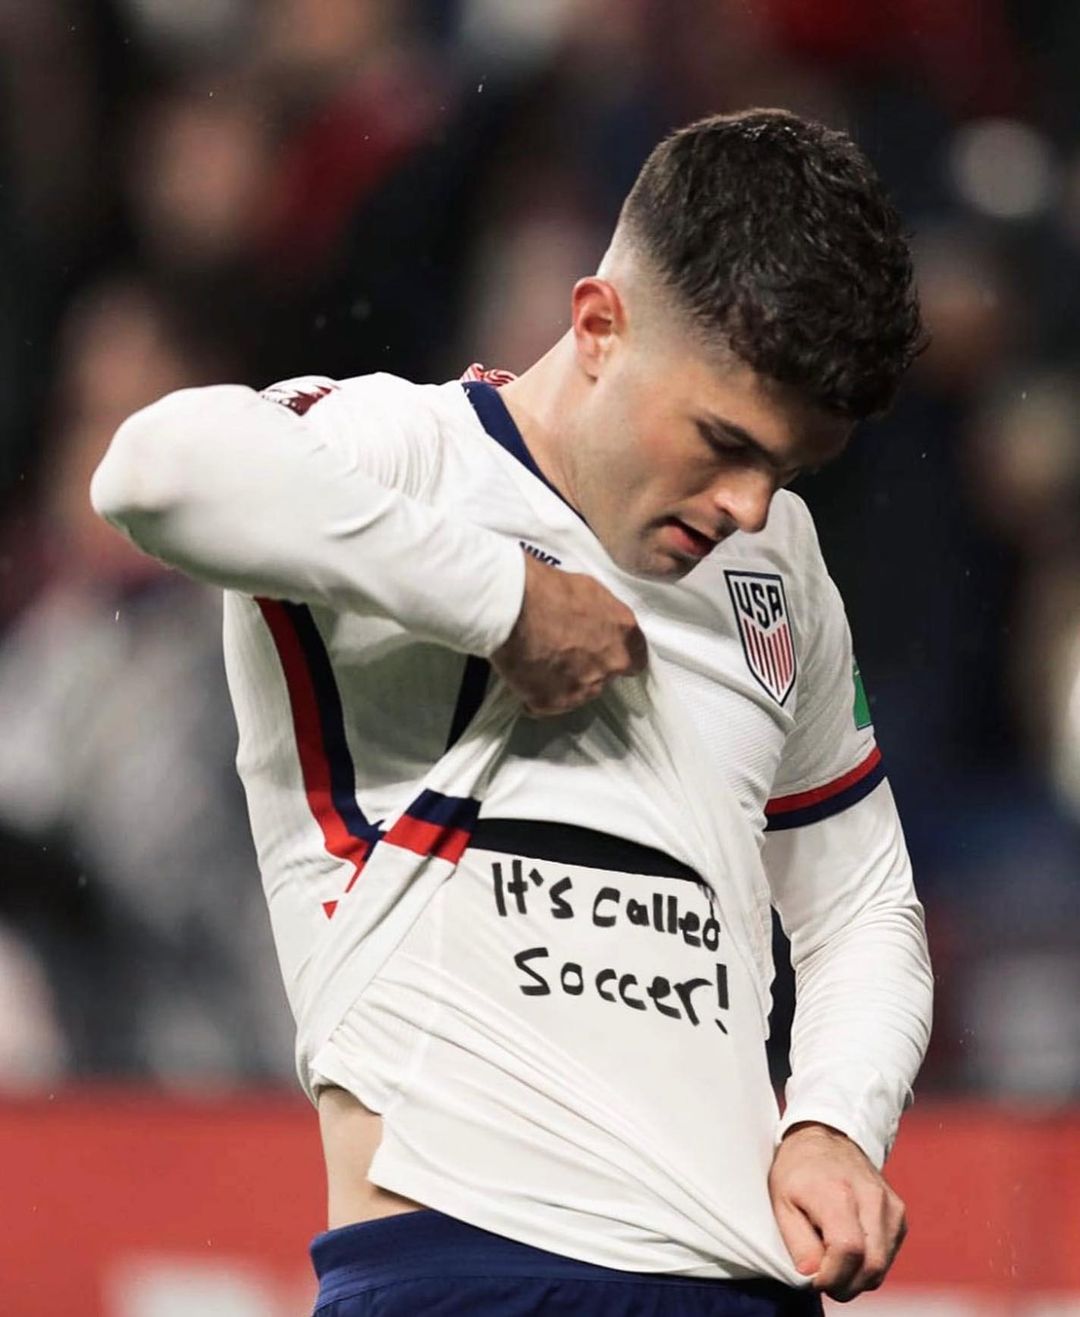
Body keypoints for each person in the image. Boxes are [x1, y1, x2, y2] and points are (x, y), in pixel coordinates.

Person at [90, 108, 933, 1316]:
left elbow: (860, 907)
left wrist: (837, 1122)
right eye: (723, 443)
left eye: (788, 470)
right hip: (466, 1271)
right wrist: (504, 602)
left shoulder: (778, 566)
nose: (748, 505)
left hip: (741, 1282)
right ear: (598, 324)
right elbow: (152, 472)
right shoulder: (406, 452)